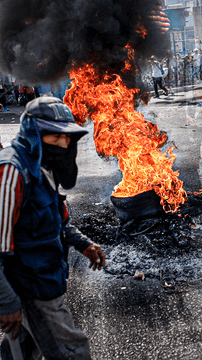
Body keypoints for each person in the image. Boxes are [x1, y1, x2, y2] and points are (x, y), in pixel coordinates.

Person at [0, 97, 105, 359]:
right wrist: (7, 302)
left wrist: (83, 243)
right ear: (34, 133)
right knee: (73, 351)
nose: (63, 144)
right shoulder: (12, 171)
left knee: (21, 352)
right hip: (29, 286)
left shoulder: (44, 166)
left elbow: (57, 219)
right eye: (54, 137)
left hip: (46, 278)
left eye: (67, 138)